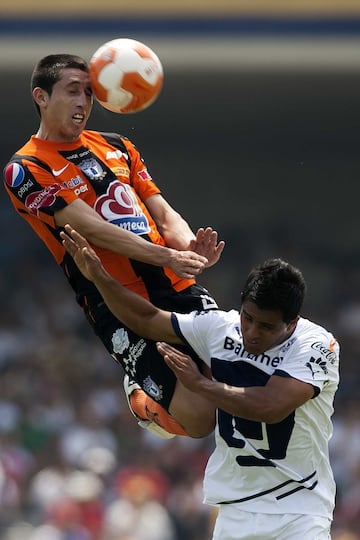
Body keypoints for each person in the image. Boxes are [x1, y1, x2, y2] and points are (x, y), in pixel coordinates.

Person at [61, 225, 340, 540]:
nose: (251, 332)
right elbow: (147, 319)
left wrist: (201, 385)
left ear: (292, 323)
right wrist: (100, 278)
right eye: (248, 318)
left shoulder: (316, 345)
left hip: (299, 513)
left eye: (266, 327)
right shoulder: (222, 328)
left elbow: (270, 406)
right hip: (235, 512)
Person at [3, 53, 225, 439]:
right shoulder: (24, 169)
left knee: (238, 373)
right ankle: (141, 398)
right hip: (113, 299)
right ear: (41, 96)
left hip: (174, 284)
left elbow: (161, 209)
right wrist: (168, 254)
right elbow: (91, 228)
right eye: (73, 91)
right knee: (202, 419)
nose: (83, 102)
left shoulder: (118, 146)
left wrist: (188, 245)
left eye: (89, 93)